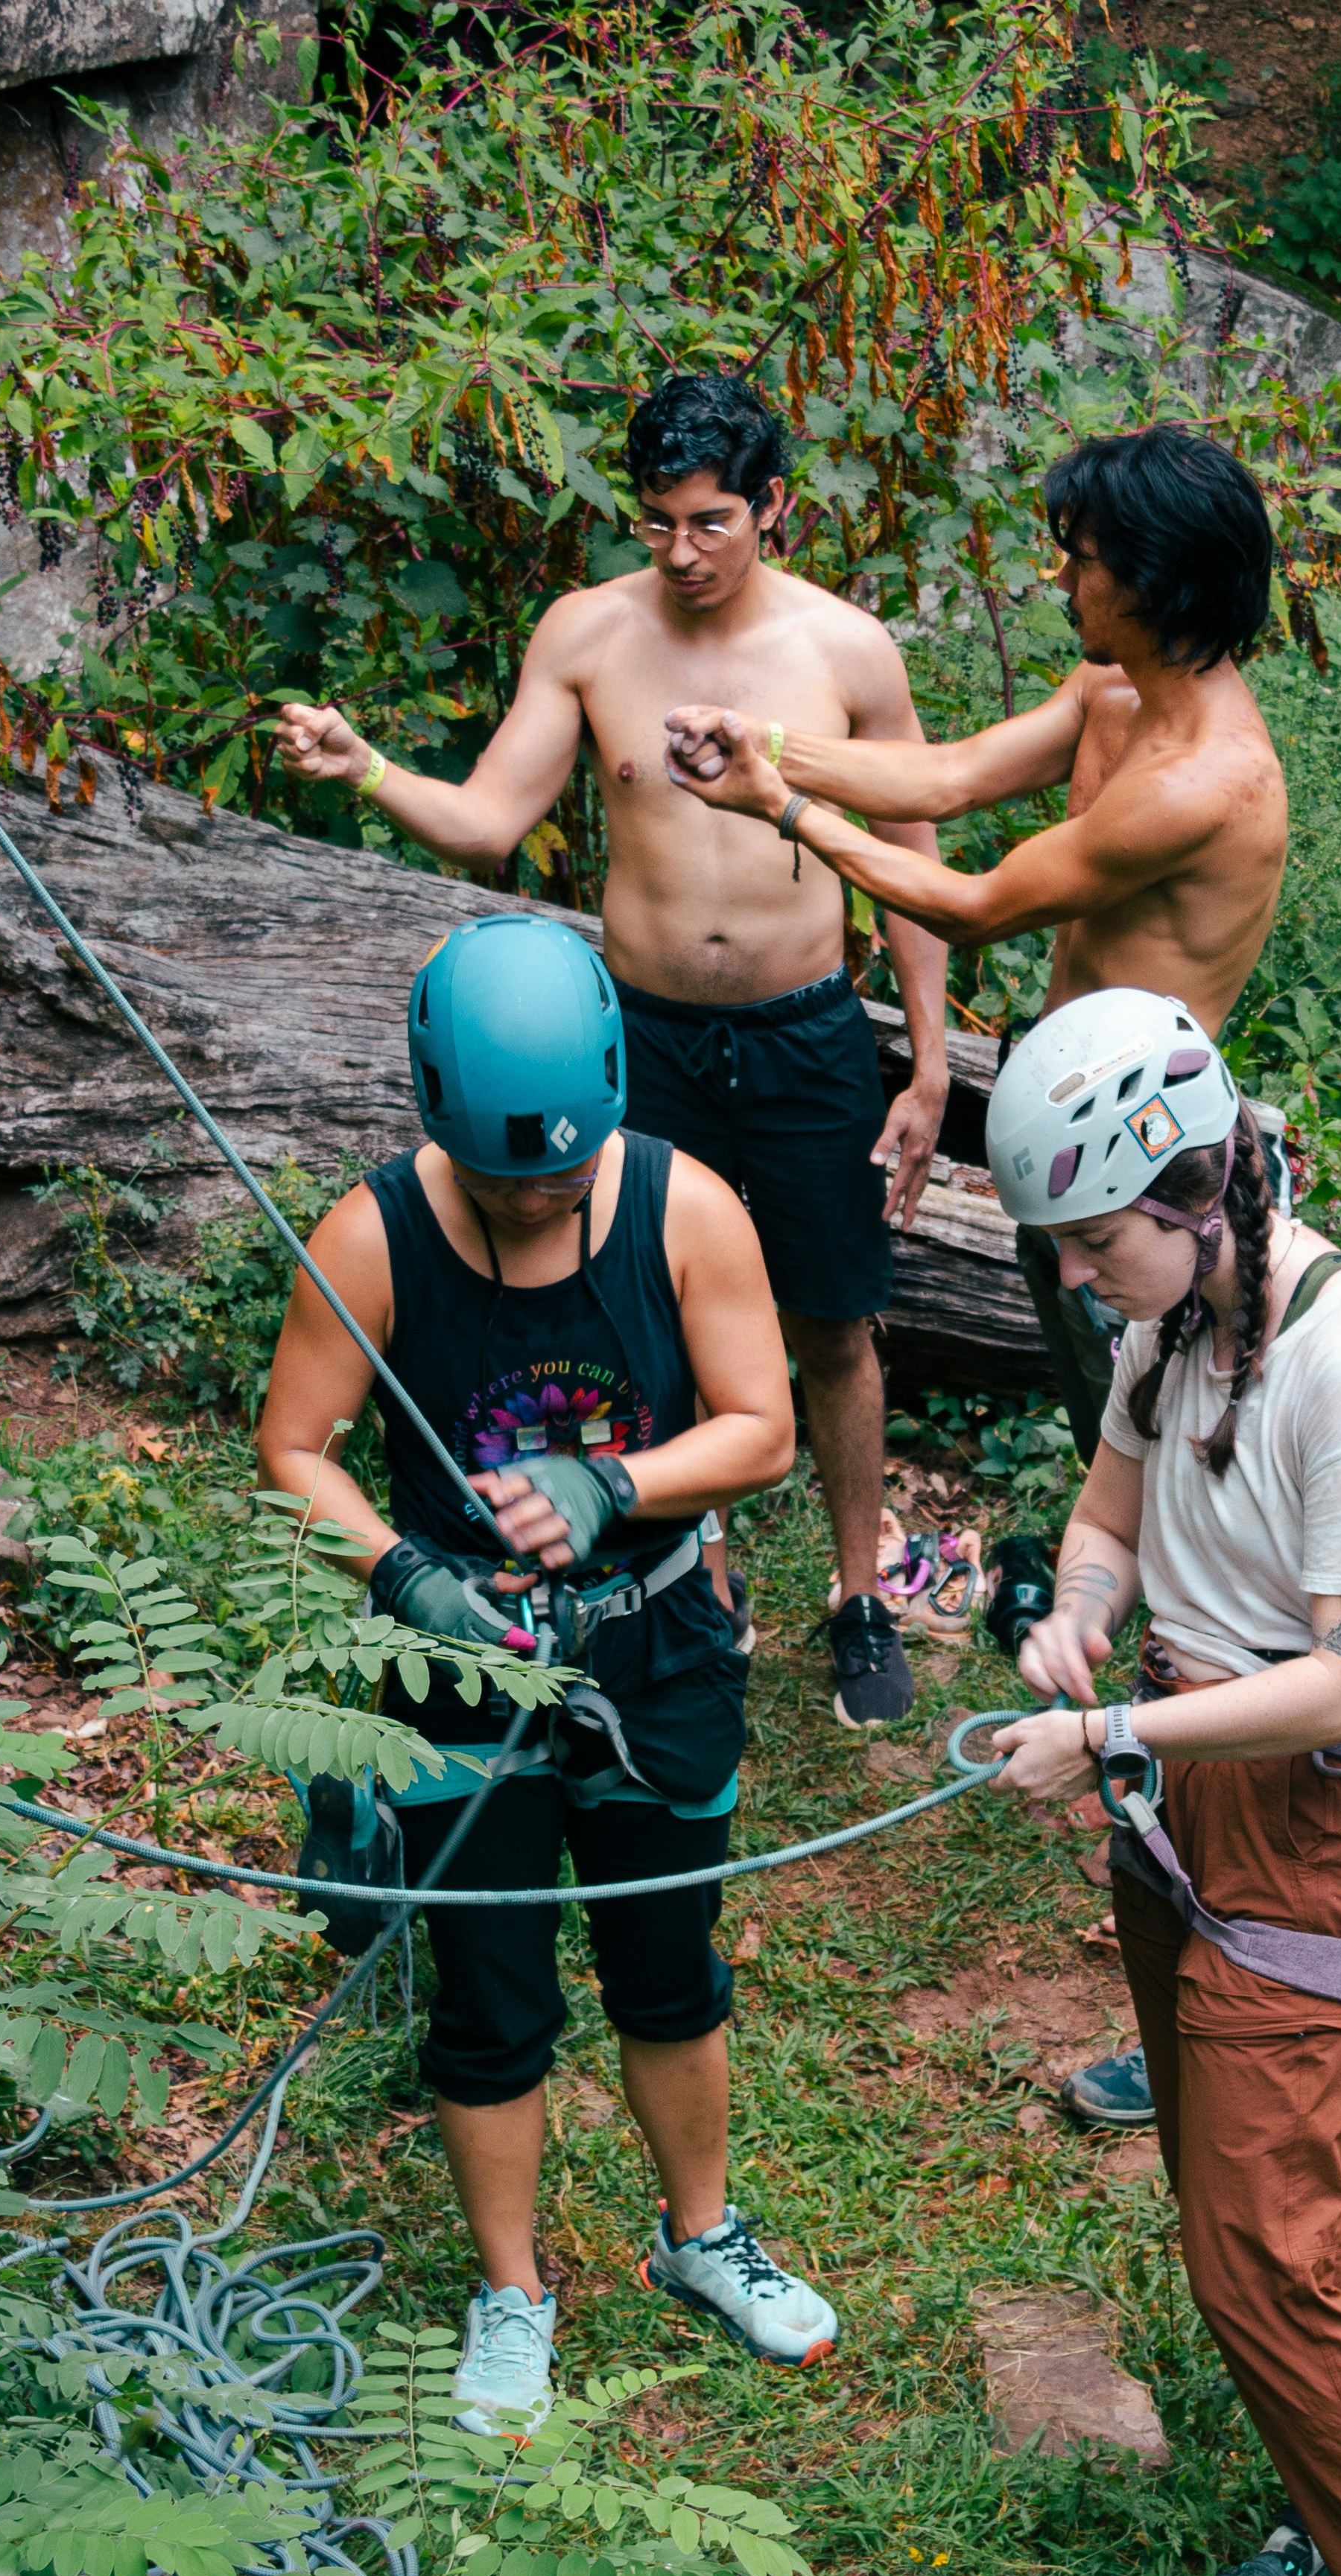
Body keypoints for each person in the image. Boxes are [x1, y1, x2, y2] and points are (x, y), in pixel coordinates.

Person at [969, 986, 1341, 2576]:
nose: (1076, 1282)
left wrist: (1112, 1729)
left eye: (1090, 1242)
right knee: (1228, 2192)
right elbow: (1110, 1515)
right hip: (1186, 1784)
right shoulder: (1178, 1315)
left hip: (1313, 1817)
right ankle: (1323, 2486)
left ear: (1196, 1190)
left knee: (1262, 2234)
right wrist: (1077, 1617)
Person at [269, 372, 954, 1734]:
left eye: (710, 522)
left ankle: (858, 1593)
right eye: (656, 523)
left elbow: (911, 863)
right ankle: (700, 1577)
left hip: (809, 1030)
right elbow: (489, 822)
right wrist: (366, 770)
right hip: (639, 1038)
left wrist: (927, 1065)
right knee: (652, 1319)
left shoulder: (848, 652)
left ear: (771, 505)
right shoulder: (590, 634)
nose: (682, 552)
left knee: (832, 1322)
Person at [253, 917, 836, 2430]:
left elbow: (763, 1427)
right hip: (462, 1665)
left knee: (669, 1963)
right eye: (505, 1177)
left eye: (564, 1179)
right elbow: (295, 1449)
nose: (534, 1200)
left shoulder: (684, 1209)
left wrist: (613, 1482)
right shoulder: (373, 1237)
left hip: (655, 1646)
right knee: (490, 1992)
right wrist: (404, 1574)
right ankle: (511, 2294)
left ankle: (700, 2233)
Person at [653, 423, 1293, 1450]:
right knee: (1109, 1425)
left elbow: (974, 904)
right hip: (1074, 1139)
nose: (1061, 580)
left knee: (1170, 1444)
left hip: (1153, 1170)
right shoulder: (1114, 692)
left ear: (1152, 578)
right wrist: (765, 743)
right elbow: (947, 777)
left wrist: (782, 808)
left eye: (1082, 561)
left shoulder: (1203, 784)